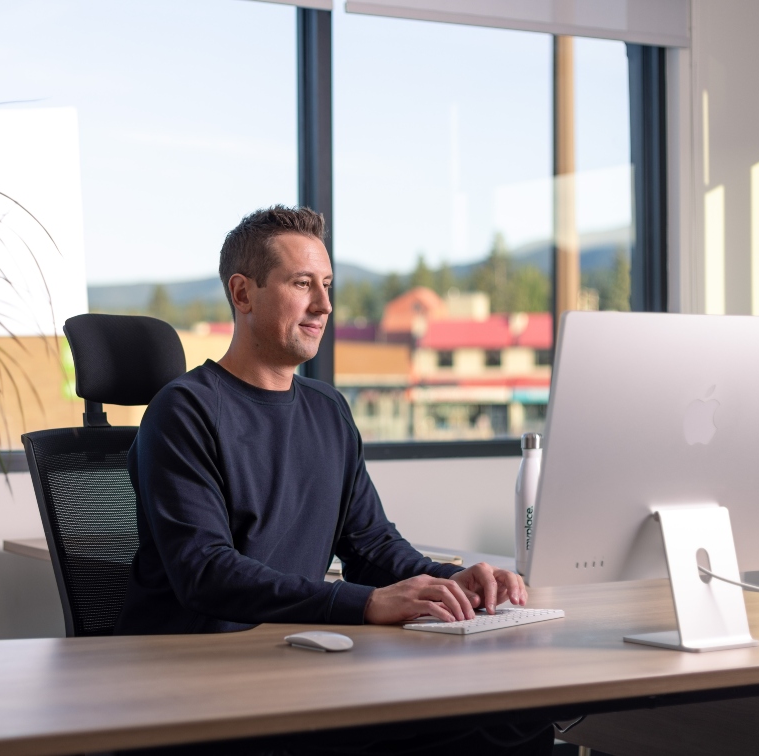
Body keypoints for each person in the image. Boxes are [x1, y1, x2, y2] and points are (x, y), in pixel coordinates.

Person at [115, 206, 553, 755]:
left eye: (327, 285)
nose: (324, 305)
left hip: (297, 663)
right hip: (200, 683)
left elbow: (370, 544)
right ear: (243, 293)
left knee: (509, 722)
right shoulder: (183, 412)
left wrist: (449, 582)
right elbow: (205, 573)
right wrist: (361, 604)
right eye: (302, 284)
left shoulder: (326, 409)